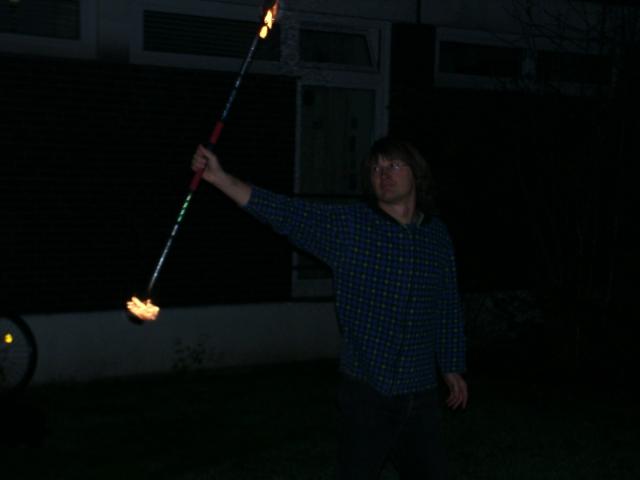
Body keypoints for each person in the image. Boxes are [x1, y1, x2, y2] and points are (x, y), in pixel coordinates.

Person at [191, 136, 468, 479]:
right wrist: (220, 178)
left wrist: (451, 366)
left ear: (416, 173)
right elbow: (286, 213)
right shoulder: (351, 227)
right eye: (375, 168)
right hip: (368, 390)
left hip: (421, 391)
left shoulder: (436, 236)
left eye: (393, 165)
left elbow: (447, 303)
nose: (383, 174)